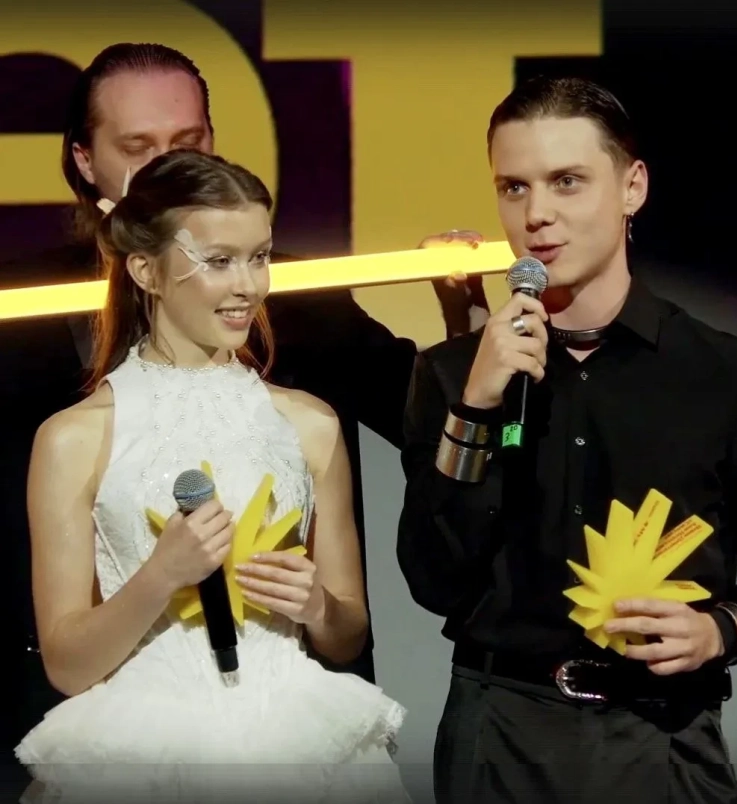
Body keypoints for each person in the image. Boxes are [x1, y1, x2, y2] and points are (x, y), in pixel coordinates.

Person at [1, 42, 488, 795]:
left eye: (187, 141)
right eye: (138, 146)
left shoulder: (302, 307)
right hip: (98, 725)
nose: (167, 165)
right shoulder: (21, 316)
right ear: (84, 161)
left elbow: (444, 436)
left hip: (295, 729)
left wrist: (465, 316)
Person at [396, 75, 737, 803]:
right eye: (513, 188)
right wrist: (476, 406)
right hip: (498, 737)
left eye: (567, 182)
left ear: (633, 187)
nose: (537, 214)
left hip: (662, 737)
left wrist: (719, 630)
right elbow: (432, 578)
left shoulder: (728, 375)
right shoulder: (454, 375)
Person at [14, 148, 411, 804]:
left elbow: (348, 636)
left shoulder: (309, 424)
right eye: (219, 261)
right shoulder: (72, 439)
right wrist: (160, 576)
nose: (248, 285)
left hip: (295, 739)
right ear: (145, 269)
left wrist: (316, 606)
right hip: (139, 752)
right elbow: (67, 663)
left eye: (259, 257)